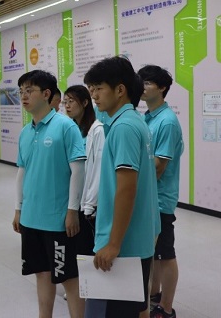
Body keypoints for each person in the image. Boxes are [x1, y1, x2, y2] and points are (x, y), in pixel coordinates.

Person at [83, 57, 160, 318]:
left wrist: (113, 244)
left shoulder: (124, 127)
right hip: (136, 240)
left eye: (99, 88)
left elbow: (127, 189)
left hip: (124, 247)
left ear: (120, 89)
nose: (94, 95)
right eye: (91, 89)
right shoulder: (133, 121)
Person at [11, 70, 86, 318]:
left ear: (46, 94)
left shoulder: (65, 126)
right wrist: (18, 208)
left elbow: (78, 170)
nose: (23, 96)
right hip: (31, 218)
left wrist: (72, 210)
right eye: (21, 91)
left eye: (29, 90)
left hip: (57, 220)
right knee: (41, 273)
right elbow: (22, 172)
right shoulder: (26, 132)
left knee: (69, 278)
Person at [137, 65, 183, 318]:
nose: (142, 87)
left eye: (148, 83)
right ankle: (154, 293)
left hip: (160, 199)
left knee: (165, 254)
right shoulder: (148, 117)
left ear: (162, 88)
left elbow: (158, 167)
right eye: (140, 82)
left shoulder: (166, 121)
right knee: (153, 252)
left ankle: (166, 308)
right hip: (149, 197)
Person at [63, 85, 105, 256]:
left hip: (87, 204)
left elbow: (98, 171)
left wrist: (90, 206)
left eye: (71, 101)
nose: (67, 105)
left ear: (85, 103)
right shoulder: (70, 129)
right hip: (70, 198)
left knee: (85, 251)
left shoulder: (97, 130)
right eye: (65, 102)